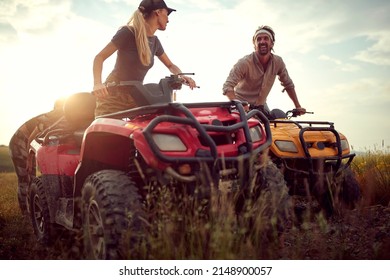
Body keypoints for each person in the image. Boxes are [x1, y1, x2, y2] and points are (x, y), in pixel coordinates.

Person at [92, 0, 197, 116]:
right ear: (158, 12)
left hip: (136, 95)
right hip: (113, 95)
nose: (168, 19)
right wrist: (97, 83)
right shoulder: (128, 32)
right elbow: (99, 57)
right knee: (105, 131)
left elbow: (170, 65)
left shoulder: (155, 42)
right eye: (167, 14)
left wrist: (181, 75)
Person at [222, 25, 306, 119]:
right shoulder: (244, 63)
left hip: (261, 107)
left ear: (272, 43)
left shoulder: (278, 62)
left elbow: (288, 84)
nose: (262, 41)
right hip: (241, 108)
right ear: (254, 44)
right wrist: (239, 103)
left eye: (266, 38)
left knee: (277, 121)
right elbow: (227, 87)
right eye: (259, 39)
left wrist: (298, 106)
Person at [8, 99, 65, 216]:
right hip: (19, 142)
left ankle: (33, 211)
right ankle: (25, 213)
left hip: (30, 145)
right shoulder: (50, 118)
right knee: (25, 178)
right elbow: (31, 138)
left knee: (32, 179)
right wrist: (29, 160)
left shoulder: (63, 118)